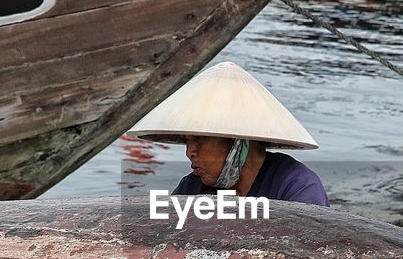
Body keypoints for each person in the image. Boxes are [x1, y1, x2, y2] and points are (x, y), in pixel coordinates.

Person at [126, 61, 329, 205]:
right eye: (187, 141)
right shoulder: (192, 189)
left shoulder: (296, 186)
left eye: (200, 139)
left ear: (238, 144)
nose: (190, 152)